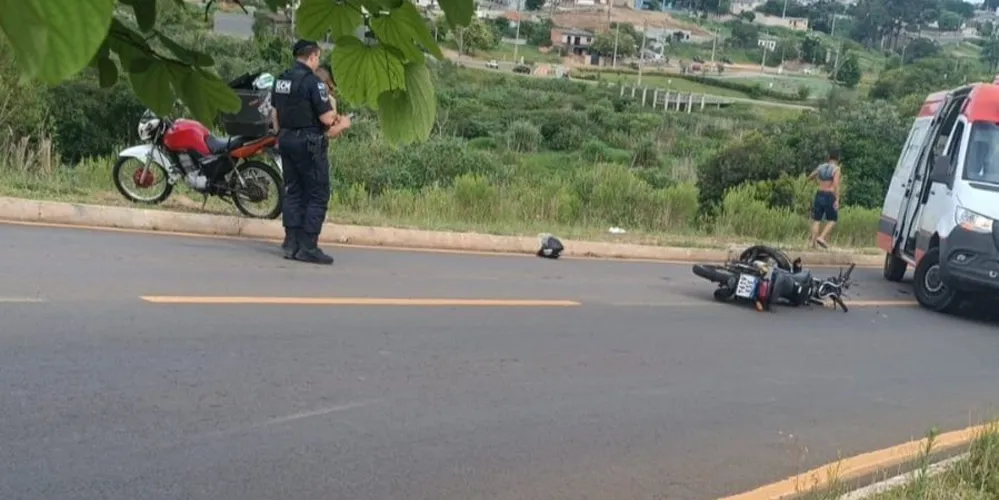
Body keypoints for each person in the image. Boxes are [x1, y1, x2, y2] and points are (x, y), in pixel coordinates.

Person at [271, 39, 351, 265]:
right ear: (313, 57)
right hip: (309, 143)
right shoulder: (313, 83)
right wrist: (343, 124)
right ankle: (308, 246)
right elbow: (326, 118)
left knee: (294, 190)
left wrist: (283, 135)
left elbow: (274, 115)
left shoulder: (281, 80)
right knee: (317, 193)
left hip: (285, 139)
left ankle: (291, 242)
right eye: (318, 57)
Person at [807, 148, 842, 249]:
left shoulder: (821, 167)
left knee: (816, 220)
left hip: (819, 194)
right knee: (833, 219)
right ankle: (821, 237)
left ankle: (812, 244)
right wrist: (837, 199)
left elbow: (810, 176)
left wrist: (815, 182)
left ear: (829, 157)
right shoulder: (836, 169)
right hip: (829, 195)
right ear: (838, 159)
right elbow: (836, 184)